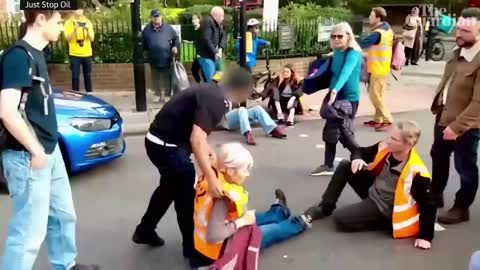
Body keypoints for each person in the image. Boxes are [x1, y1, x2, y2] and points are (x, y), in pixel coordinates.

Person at [0, 10, 98, 270]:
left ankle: (65, 265)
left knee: (63, 216)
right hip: (28, 156)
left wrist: (46, 150)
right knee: (28, 233)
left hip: (48, 151)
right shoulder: (18, 56)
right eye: (59, 21)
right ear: (40, 19)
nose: (63, 27)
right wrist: (36, 151)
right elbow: (7, 111)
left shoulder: (37, 54)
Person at [131, 68, 254, 259]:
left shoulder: (211, 91)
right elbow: (197, 140)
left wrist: (210, 154)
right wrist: (213, 179)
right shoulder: (216, 100)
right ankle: (191, 248)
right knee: (185, 194)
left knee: (168, 188)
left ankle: (144, 230)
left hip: (157, 141)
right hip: (167, 147)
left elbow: (200, 138)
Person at [305, 121, 436, 250]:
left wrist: (426, 237)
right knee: (346, 166)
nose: (388, 141)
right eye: (389, 136)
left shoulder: (416, 170)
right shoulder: (386, 147)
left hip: (385, 207)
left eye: (394, 139)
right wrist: (357, 158)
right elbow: (359, 150)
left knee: (340, 218)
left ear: (409, 144)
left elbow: (428, 205)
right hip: (374, 190)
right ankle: (325, 208)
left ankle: (385, 223)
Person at [190, 143, 312, 268]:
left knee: (249, 217)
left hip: (201, 246)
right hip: (219, 251)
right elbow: (213, 236)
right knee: (269, 231)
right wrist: (241, 222)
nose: (247, 174)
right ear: (230, 170)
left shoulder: (212, 176)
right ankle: (298, 223)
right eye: (244, 169)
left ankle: (278, 213)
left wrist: (243, 220)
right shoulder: (223, 197)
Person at [430, 7, 480, 225]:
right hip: (444, 117)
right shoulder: (457, 51)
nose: (458, 34)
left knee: (465, 166)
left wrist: (457, 127)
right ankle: (436, 194)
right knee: (438, 156)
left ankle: (462, 207)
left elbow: (479, 102)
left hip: (467, 125)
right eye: (458, 28)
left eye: (466, 31)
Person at [310, 22, 362, 177]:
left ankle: (360, 157)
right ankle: (328, 164)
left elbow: (346, 72)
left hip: (348, 98)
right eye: (334, 36)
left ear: (348, 36)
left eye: (340, 36)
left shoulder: (353, 53)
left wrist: (335, 90)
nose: (337, 39)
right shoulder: (335, 53)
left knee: (344, 132)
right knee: (331, 131)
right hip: (335, 96)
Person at [360, 7, 394, 131]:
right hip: (381, 67)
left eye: (371, 15)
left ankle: (387, 119)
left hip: (378, 68)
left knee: (375, 95)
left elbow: (363, 43)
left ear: (378, 18)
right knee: (378, 94)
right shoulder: (387, 30)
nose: (369, 17)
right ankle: (378, 119)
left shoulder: (378, 33)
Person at [142, 9, 180, 102]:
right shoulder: (147, 30)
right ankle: (158, 94)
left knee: (166, 76)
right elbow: (143, 43)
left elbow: (176, 38)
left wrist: (175, 47)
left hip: (166, 57)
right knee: (155, 77)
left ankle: (166, 95)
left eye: (158, 16)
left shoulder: (168, 28)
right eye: (154, 17)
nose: (156, 18)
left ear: (161, 17)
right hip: (153, 57)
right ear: (151, 18)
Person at [64, 6, 95, 93]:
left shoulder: (87, 22)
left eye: (80, 9)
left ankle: (89, 94)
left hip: (87, 53)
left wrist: (88, 30)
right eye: (76, 9)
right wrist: (75, 29)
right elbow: (67, 38)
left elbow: (92, 38)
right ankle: (75, 94)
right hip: (74, 53)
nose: (79, 11)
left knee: (88, 75)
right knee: (75, 76)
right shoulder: (68, 22)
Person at [197, 6, 226, 82]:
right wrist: (215, 51)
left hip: (214, 56)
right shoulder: (207, 21)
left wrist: (220, 48)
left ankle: (213, 87)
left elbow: (223, 35)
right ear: (217, 16)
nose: (223, 19)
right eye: (222, 16)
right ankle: (210, 90)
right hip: (206, 56)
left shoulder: (218, 25)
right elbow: (206, 38)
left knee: (220, 73)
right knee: (211, 79)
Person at [190, 14, 205, 83]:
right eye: (193, 19)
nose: (193, 20)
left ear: (199, 20)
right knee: (194, 69)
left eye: (195, 19)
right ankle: (200, 83)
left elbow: (205, 42)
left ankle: (206, 87)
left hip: (202, 54)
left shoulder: (202, 29)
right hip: (198, 54)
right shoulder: (195, 30)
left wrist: (201, 54)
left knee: (202, 71)